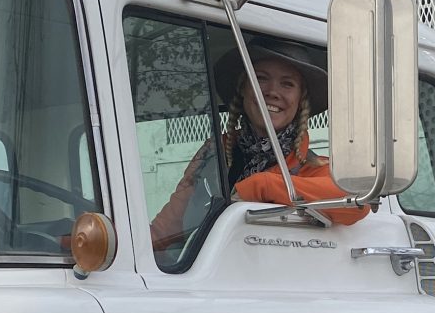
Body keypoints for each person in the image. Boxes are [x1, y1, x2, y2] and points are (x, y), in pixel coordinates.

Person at [149, 38, 367, 251]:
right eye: (260, 78)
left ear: (301, 100)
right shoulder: (212, 154)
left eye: (287, 83)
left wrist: (262, 186)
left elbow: (358, 201)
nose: (272, 91)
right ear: (243, 88)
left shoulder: (313, 167)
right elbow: (170, 225)